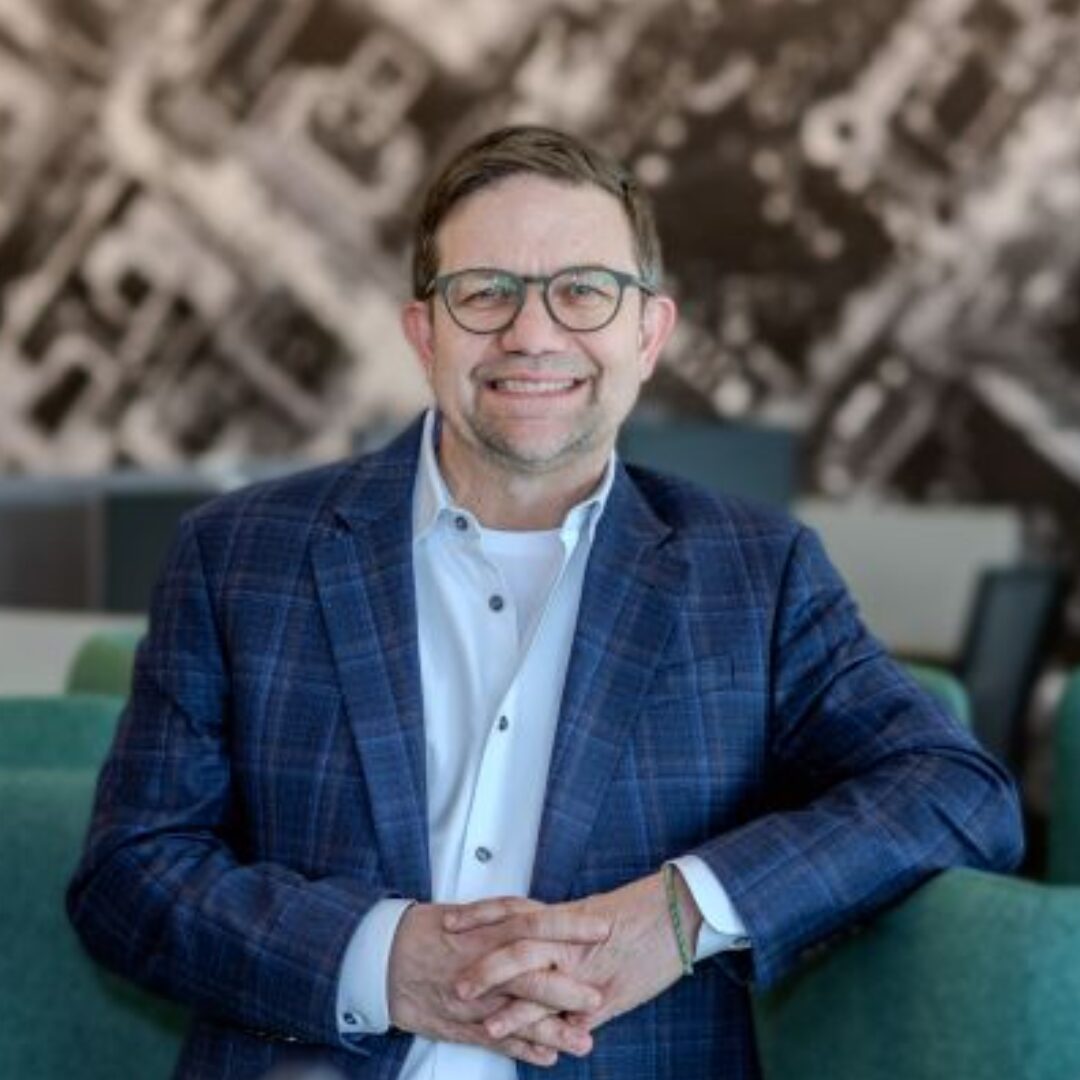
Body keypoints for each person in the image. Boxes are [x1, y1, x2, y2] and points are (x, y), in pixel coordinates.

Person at [68, 125, 1023, 1080]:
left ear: (649, 335)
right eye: (485, 293)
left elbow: (957, 793)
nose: (533, 333)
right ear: (423, 332)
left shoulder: (755, 573)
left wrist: (683, 914)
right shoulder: (240, 555)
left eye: (584, 291)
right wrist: (382, 962)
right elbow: (127, 879)